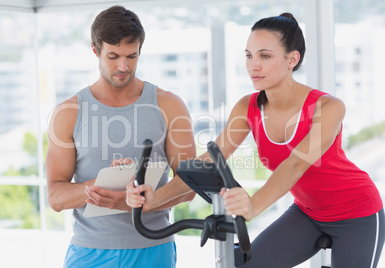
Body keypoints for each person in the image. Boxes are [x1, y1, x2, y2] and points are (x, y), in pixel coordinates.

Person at [127, 13, 385, 267]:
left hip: (357, 213)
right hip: (308, 213)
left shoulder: (328, 107)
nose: (254, 65)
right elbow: (207, 162)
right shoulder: (247, 108)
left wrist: (252, 206)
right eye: (249, 56)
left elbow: (295, 165)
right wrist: (155, 199)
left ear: (292, 59)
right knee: (246, 264)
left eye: (265, 56)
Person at [46, 5, 196, 268]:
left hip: (153, 247)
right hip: (89, 253)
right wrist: (106, 185)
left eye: (132, 56)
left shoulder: (170, 105)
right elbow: (56, 197)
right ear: (95, 50)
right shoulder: (68, 113)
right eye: (113, 56)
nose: (124, 66)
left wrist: (142, 200)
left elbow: (189, 185)